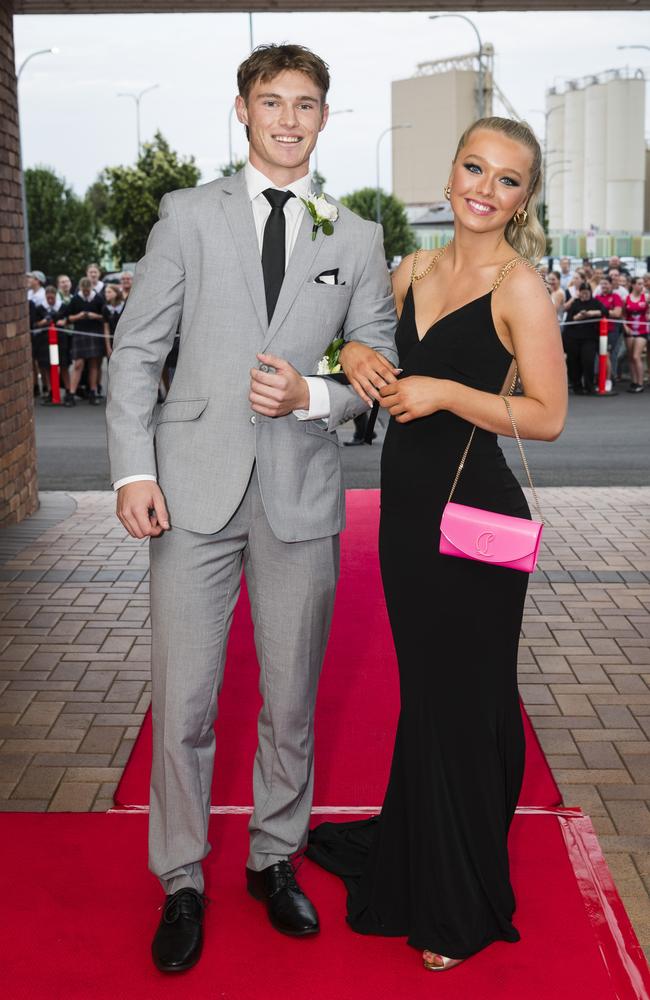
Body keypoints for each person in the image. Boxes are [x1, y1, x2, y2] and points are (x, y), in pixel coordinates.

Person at [106, 43, 398, 974]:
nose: (287, 119)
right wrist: (130, 472)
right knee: (185, 700)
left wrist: (313, 398)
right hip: (189, 487)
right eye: (270, 101)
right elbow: (136, 354)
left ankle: (275, 859)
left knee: (290, 702)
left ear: (323, 117)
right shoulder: (186, 216)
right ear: (242, 110)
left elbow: (376, 367)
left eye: (304, 104)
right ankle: (182, 878)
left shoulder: (354, 235)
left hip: (302, 491)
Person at [307, 116, 567, 972]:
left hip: (477, 515)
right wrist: (351, 352)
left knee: (473, 697)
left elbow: (549, 418)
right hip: (408, 514)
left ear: (525, 198)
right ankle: (424, 853)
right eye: (473, 168)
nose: (483, 190)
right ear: (451, 170)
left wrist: (450, 390)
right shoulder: (409, 268)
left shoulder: (520, 286)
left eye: (507, 180)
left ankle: (463, 898)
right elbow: (361, 352)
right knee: (429, 696)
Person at [63, 276, 105, 404]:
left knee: (94, 364)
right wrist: (79, 316)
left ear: (91, 288)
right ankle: (71, 393)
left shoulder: (98, 298)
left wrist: (94, 315)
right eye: (84, 290)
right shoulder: (75, 299)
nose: (86, 293)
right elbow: (68, 318)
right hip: (80, 333)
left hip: (94, 333)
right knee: (78, 364)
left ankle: (93, 392)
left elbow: (105, 317)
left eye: (88, 290)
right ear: (81, 288)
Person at [563, 283, 607, 394]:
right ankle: (577, 385)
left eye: (587, 293)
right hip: (573, 337)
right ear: (579, 293)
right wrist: (577, 317)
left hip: (589, 337)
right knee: (573, 361)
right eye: (583, 293)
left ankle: (589, 385)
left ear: (590, 293)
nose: (585, 295)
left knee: (588, 360)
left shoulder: (595, 302)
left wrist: (592, 313)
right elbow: (568, 321)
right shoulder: (575, 303)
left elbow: (605, 312)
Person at [33, 285, 72, 404]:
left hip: (61, 340)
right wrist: (43, 322)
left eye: (52, 298)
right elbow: (35, 324)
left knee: (63, 365)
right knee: (47, 367)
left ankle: (68, 391)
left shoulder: (63, 307)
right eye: (48, 298)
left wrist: (64, 321)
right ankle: (51, 391)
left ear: (55, 296)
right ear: (45, 297)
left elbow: (69, 320)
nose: (50, 300)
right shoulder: (40, 308)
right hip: (44, 341)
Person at [596, 275, 624, 388]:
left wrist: (602, 312)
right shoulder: (597, 297)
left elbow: (617, 313)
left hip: (611, 330)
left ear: (611, 285)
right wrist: (606, 312)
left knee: (606, 354)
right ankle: (601, 380)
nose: (604, 286)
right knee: (600, 355)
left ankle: (608, 380)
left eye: (606, 283)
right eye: (602, 284)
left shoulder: (616, 296)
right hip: (598, 330)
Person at [623, 276, 648, 393]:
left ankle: (640, 383)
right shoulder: (626, 298)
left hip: (642, 330)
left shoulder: (646, 297)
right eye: (638, 283)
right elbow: (623, 316)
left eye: (642, 284)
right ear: (632, 285)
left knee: (636, 356)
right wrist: (625, 326)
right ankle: (633, 381)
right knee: (630, 357)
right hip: (630, 330)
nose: (641, 286)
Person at [102, 283, 124, 358]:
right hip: (111, 340)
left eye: (109, 292)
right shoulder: (105, 308)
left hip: (123, 340)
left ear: (116, 293)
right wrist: (108, 347)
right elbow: (106, 328)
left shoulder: (124, 306)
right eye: (105, 292)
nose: (106, 294)